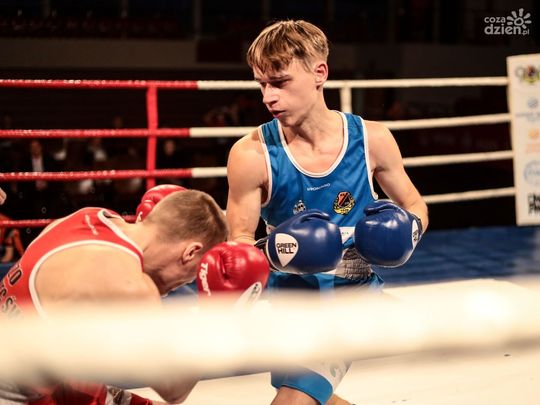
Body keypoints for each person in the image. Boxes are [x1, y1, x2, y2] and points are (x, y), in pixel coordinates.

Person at [226, 20, 429, 405]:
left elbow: (414, 205)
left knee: (294, 399)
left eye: (280, 82)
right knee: (309, 396)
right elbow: (237, 245)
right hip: (288, 297)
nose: (268, 97)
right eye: (261, 84)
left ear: (320, 73)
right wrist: (279, 250)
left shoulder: (372, 139)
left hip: (351, 298)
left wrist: (407, 230)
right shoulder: (251, 155)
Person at [0, 185, 270, 404]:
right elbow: (174, 389)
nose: (177, 288)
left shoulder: (91, 216)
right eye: (190, 277)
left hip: (37, 371)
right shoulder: (132, 287)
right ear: (190, 252)